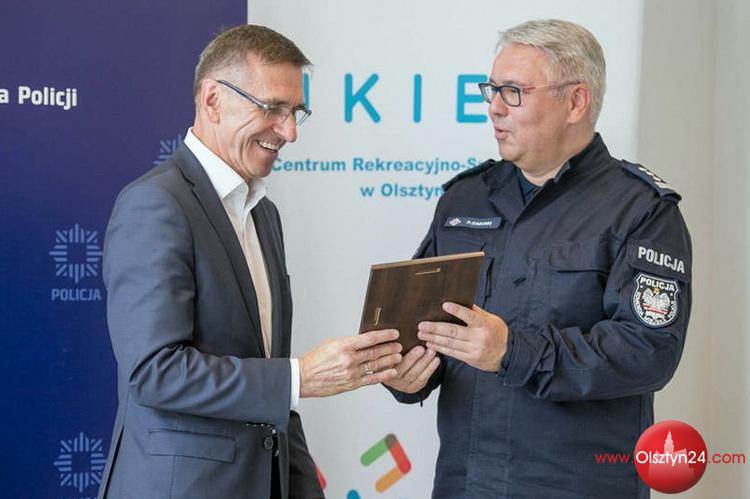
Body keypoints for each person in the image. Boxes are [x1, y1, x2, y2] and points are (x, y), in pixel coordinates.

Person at [385, 19, 692, 498]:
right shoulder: (465, 199)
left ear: (576, 101)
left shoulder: (640, 209)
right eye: (491, 90)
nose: (493, 107)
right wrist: (409, 373)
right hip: (467, 484)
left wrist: (513, 352)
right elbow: (429, 326)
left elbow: (648, 351)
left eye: (513, 92)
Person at [98, 25, 402, 499]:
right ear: (213, 100)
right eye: (273, 108)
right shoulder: (156, 205)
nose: (290, 132)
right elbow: (154, 373)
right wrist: (299, 377)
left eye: (296, 112)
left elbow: (270, 389)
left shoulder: (263, 213)